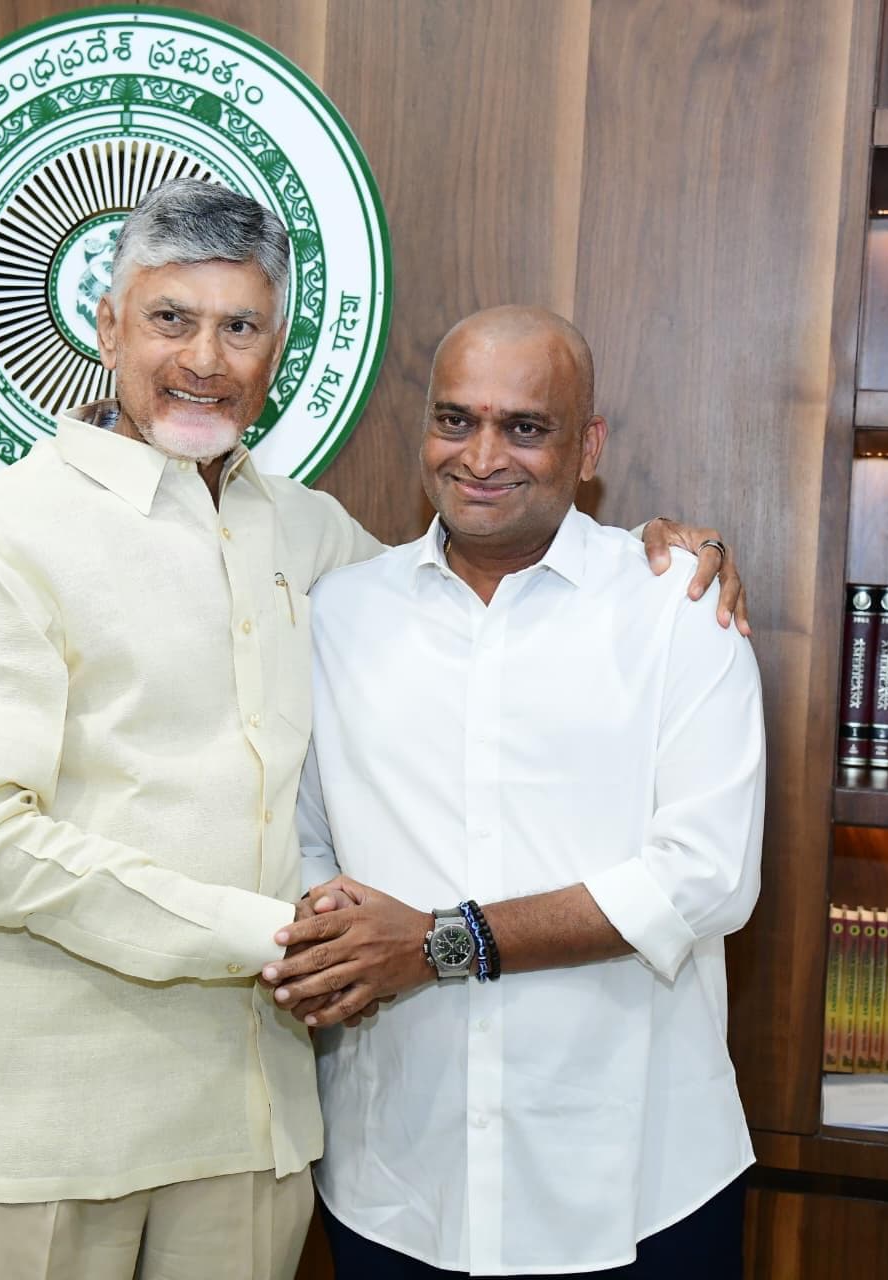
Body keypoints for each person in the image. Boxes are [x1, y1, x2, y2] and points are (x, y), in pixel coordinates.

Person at [0, 178, 745, 1280]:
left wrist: (652, 550)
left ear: (276, 350)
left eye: (240, 326)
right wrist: (284, 935)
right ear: (106, 325)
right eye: (170, 318)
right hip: (59, 1119)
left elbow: (487, 569)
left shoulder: (317, 542)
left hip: (260, 1126)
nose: (205, 358)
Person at [263, 307, 765, 1278]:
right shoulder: (339, 612)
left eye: (523, 427)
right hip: (397, 1179)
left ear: (586, 447)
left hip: (637, 1184)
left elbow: (702, 879)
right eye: (455, 419)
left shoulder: (676, 605)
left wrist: (436, 943)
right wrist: (333, 929)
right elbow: (303, 835)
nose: (480, 454)